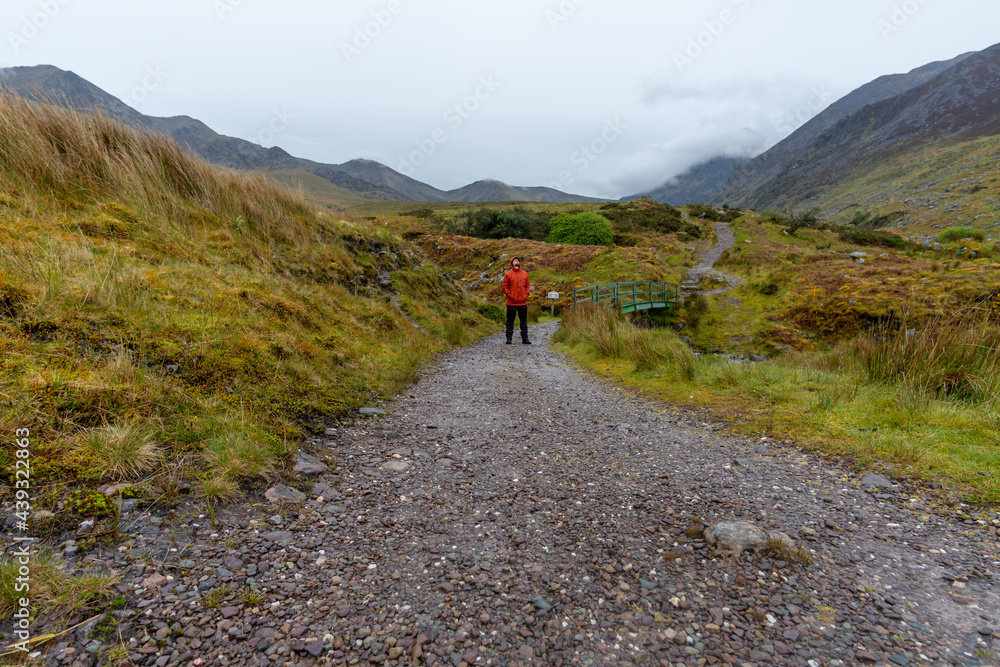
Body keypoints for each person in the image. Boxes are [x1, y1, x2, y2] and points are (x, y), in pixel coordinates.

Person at [501, 256, 531, 344]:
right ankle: (509, 338)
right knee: (510, 321)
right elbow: (504, 287)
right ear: (511, 263)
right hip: (511, 302)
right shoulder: (508, 274)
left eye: (517, 260)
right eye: (514, 260)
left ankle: (525, 339)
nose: (516, 261)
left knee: (524, 321)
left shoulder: (525, 274)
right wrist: (510, 296)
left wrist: (526, 295)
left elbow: (528, 286)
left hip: (523, 302)